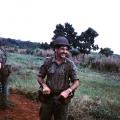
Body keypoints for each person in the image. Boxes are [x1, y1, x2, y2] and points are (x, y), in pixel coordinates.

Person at [37, 36, 79, 120]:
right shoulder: (48, 61)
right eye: (62, 49)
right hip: (48, 98)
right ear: (56, 49)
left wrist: (68, 91)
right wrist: (44, 86)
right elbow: (39, 76)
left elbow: (76, 82)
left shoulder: (70, 64)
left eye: (66, 49)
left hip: (62, 99)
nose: (65, 51)